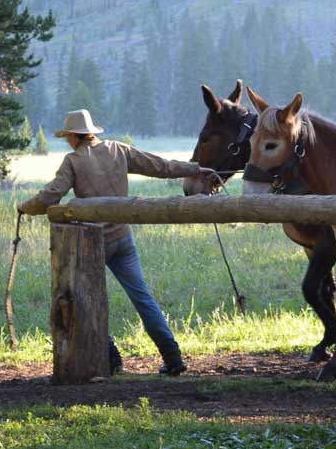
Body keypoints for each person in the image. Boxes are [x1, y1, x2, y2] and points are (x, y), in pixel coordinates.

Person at [17, 109, 214, 376]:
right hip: (122, 239)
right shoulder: (118, 149)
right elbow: (160, 166)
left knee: (85, 302)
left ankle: (111, 358)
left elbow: (51, 195)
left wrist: (25, 208)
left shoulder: (73, 161)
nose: (68, 142)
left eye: (68, 138)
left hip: (91, 243)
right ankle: (173, 357)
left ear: (74, 137)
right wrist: (194, 169)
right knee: (143, 298)